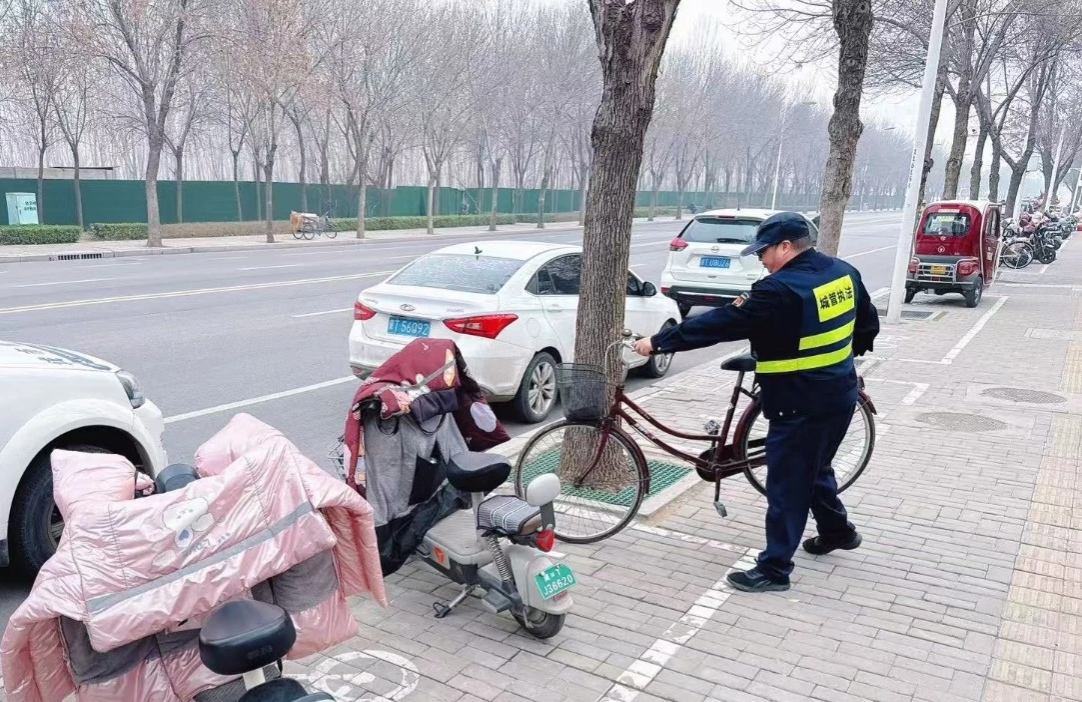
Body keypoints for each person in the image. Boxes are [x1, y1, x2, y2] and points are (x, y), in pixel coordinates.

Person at [632, 212, 879, 593]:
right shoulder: (842, 272)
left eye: (763, 251)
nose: (760, 258)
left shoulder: (777, 289)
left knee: (787, 486)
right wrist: (838, 364)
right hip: (842, 393)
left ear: (786, 247)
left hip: (798, 401)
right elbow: (866, 323)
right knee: (815, 467)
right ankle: (837, 531)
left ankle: (775, 569)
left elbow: (721, 323)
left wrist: (659, 342)